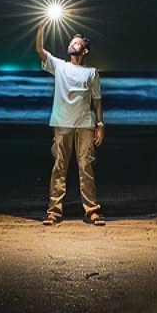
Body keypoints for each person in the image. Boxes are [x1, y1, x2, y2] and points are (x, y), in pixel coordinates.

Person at [33, 21, 106, 225]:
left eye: (77, 43)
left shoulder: (91, 72)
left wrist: (100, 125)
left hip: (85, 125)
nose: (73, 44)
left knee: (86, 168)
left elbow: (97, 99)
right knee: (59, 167)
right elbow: (39, 49)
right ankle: (54, 212)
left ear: (85, 50)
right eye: (72, 42)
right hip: (62, 123)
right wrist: (41, 27)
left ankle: (92, 210)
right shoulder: (60, 66)